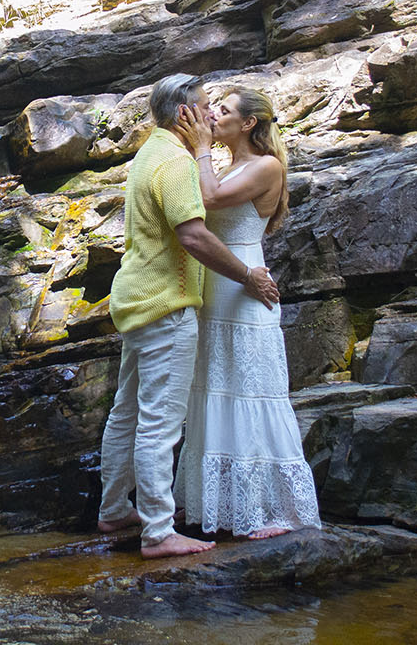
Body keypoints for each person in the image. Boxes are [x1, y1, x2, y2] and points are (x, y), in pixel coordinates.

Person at [97, 73, 282, 559]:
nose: (210, 114)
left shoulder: (149, 153)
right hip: (166, 303)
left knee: (127, 412)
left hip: (135, 300)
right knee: (159, 423)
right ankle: (158, 531)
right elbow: (195, 237)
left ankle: (115, 507)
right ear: (185, 113)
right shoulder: (177, 163)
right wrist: (247, 274)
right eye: (205, 106)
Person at [172, 85, 320, 539]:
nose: (213, 114)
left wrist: (199, 148)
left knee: (252, 395)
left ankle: (274, 512)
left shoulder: (266, 166)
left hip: (245, 292)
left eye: (224, 109)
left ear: (248, 123)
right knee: (216, 390)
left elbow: (211, 199)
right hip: (214, 292)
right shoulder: (231, 164)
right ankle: (217, 506)